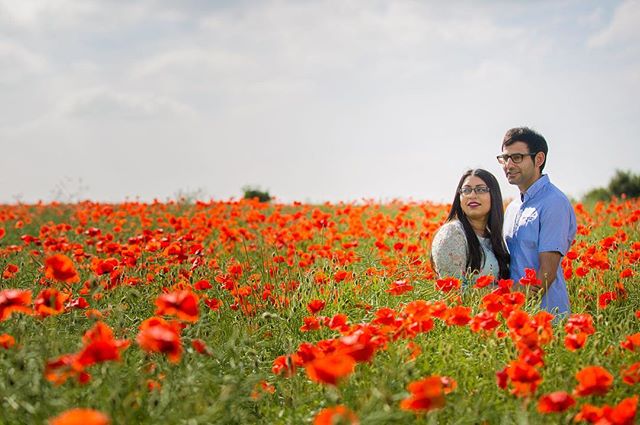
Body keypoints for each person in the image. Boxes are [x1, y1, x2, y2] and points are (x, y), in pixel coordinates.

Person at [498, 127, 576, 316]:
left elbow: (547, 273)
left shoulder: (553, 202)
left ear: (538, 159)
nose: (508, 165)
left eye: (516, 157)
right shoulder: (513, 207)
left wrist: (522, 308)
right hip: (517, 312)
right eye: (504, 158)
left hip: (546, 316)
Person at [430, 169, 510, 284]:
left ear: (494, 196)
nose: (472, 195)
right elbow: (452, 292)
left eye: (481, 189)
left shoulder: (496, 238)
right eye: (466, 190)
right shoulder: (453, 233)